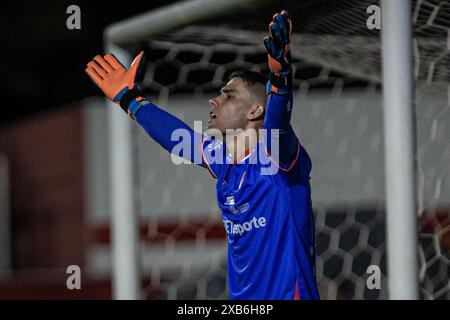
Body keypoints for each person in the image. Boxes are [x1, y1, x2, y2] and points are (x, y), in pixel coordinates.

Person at [85, 10, 319, 300]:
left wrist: (281, 78)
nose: (214, 99)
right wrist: (130, 99)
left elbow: (278, 124)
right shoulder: (225, 164)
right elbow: (177, 139)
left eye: (229, 95)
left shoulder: (278, 159)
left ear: (255, 111)